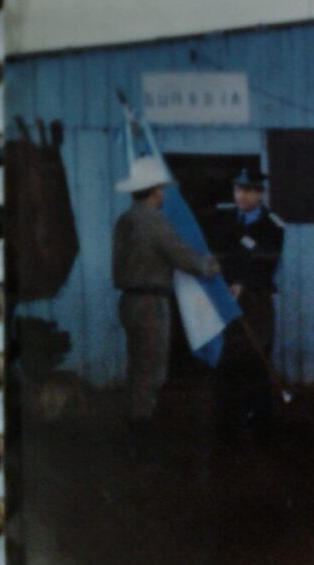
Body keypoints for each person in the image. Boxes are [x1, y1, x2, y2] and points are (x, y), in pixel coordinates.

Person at [112, 156, 220, 456]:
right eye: (160, 188)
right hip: (150, 302)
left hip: (129, 300)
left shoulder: (126, 219)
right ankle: (141, 437)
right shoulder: (155, 221)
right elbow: (182, 256)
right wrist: (209, 266)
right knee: (152, 370)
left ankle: (135, 427)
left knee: (137, 367)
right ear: (154, 190)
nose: (163, 194)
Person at [211, 168, 285, 441]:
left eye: (248, 190)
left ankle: (259, 423)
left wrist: (243, 283)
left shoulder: (273, 225)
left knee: (257, 357)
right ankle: (227, 422)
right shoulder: (225, 220)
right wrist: (225, 282)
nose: (241, 195)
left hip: (256, 300)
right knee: (227, 359)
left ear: (260, 193)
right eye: (238, 189)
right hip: (227, 298)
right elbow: (218, 255)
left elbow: (268, 262)